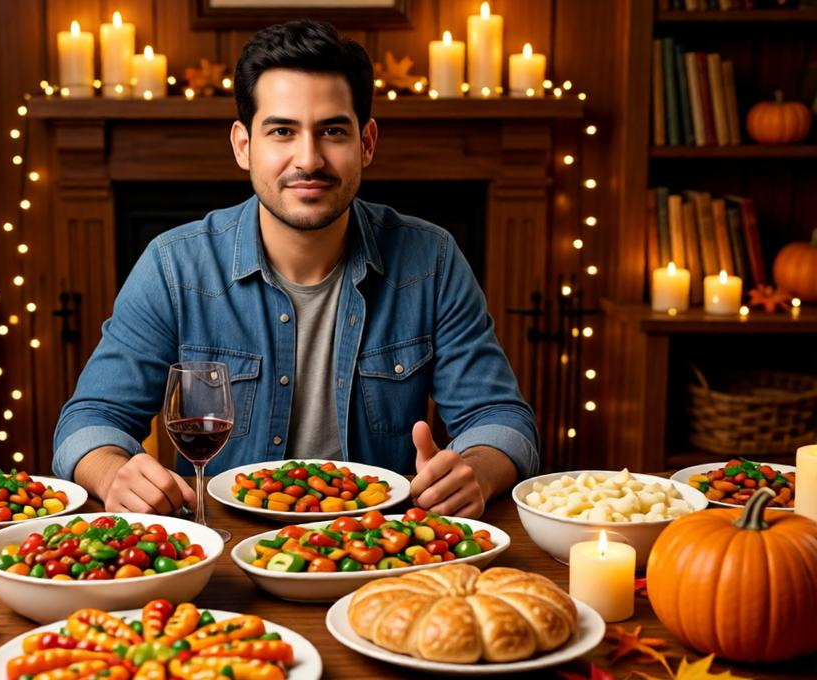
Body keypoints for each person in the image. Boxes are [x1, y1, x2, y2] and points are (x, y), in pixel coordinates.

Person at [53, 20, 538, 519]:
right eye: (282, 131)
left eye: (332, 131)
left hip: (381, 551)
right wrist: (114, 473)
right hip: (223, 549)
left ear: (367, 143)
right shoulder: (173, 265)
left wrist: (475, 470)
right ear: (243, 145)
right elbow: (90, 420)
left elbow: (500, 419)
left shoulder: (431, 259)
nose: (308, 159)